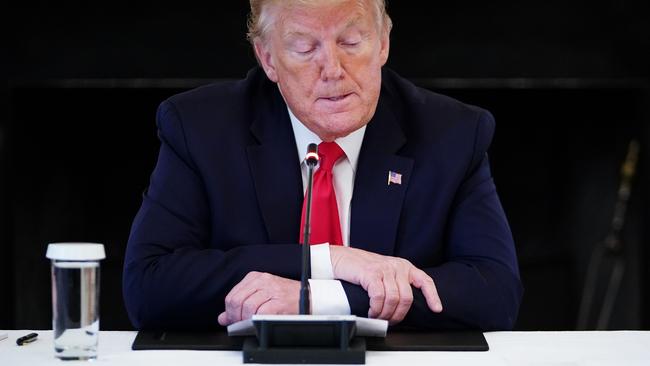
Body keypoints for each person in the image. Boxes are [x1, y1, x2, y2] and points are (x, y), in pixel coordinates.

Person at [123, 0, 523, 331]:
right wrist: (329, 260)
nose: (332, 69)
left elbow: (495, 292)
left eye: (351, 41)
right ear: (268, 59)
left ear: (383, 43)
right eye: (304, 48)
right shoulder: (200, 128)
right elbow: (148, 286)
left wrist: (320, 298)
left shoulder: (451, 133)